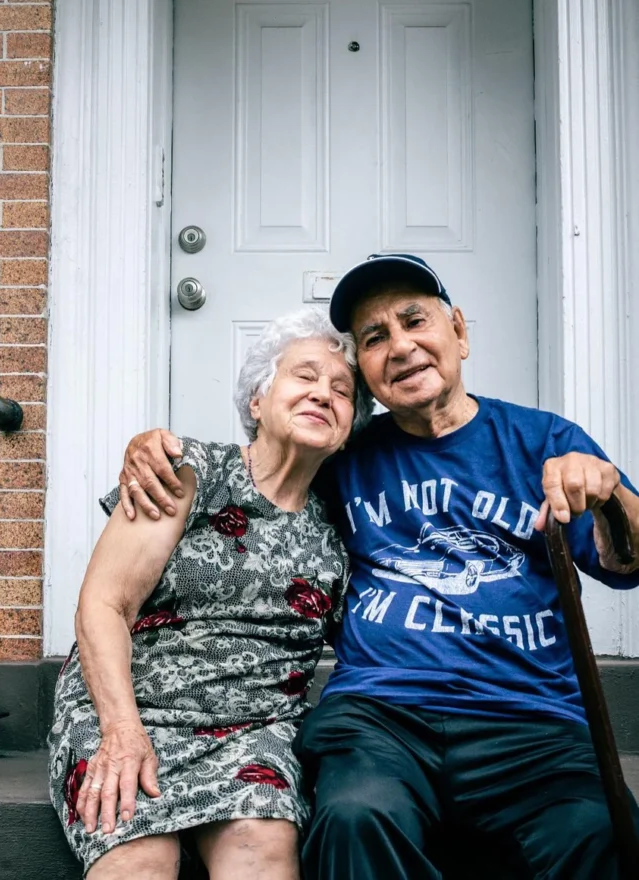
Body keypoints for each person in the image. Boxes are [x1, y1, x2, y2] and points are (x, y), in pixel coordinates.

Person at [119, 253, 639, 879]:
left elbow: (628, 564)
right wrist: (151, 447)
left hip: (527, 719)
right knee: (353, 816)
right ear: (364, 369)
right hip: (380, 718)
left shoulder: (544, 441)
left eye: (415, 321)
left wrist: (610, 498)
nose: (400, 346)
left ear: (460, 334)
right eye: (374, 337)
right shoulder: (342, 453)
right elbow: (256, 468)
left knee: (598, 831)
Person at [48, 309, 371, 879]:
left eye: (342, 390)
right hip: (129, 709)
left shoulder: (347, 523)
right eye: (304, 376)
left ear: (348, 428)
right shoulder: (188, 472)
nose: (323, 394)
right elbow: (103, 604)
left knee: (261, 845)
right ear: (256, 401)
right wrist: (121, 731)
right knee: (141, 856)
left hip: (256, 729)